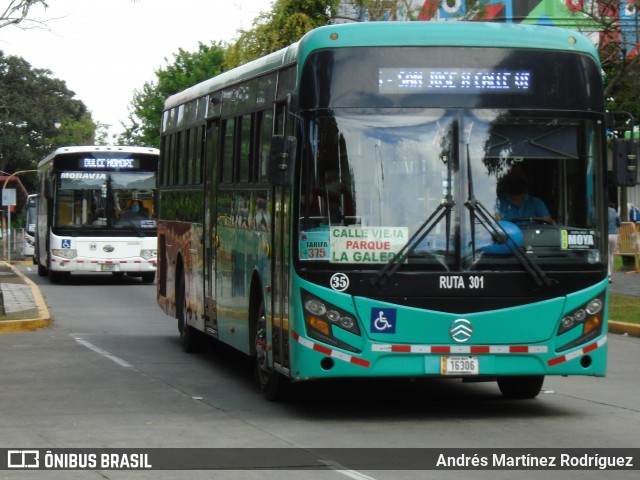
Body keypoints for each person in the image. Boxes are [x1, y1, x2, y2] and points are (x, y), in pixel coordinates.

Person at [608, 202, 621, 283]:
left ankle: (606, 274)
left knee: (607, 254)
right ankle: (610, 275)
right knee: (611, 254)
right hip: (614, 235)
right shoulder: (614, 211)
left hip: (605, 235)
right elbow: (619, 223)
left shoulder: (600, 211)